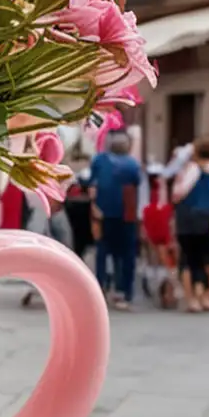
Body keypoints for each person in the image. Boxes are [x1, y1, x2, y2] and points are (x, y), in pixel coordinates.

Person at [88, 129, 144, 309]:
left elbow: (92, 184)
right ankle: (123, 292)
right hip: (126, 214)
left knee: (103, 251)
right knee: (125, 254)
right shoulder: (132, 164)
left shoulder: (99, 160)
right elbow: (137, 183)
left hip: (103, 212)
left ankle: (101, 288)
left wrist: (93, 205)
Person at [172, 136, 209, 313]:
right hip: (207, 217)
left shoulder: (192, 168)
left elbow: (180, 192)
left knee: (187, 258)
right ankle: (203, 296)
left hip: (187, 216)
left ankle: (191, 299)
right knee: (204, 259)